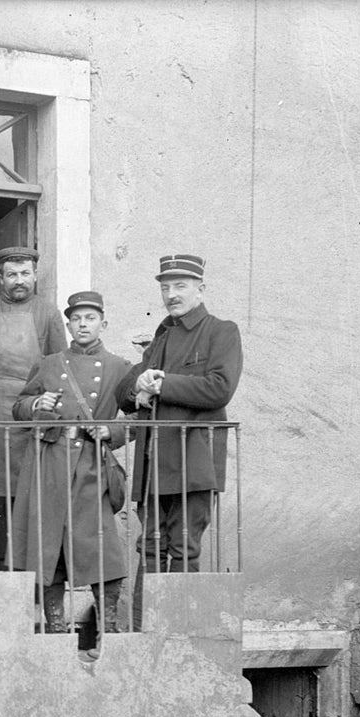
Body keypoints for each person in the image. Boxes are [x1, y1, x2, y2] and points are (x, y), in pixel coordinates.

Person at [113, 254, 242, 622]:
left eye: (181, 286)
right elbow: (123, 393)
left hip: (193, 462)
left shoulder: (221, 331)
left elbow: (220, 388)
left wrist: (163, 384)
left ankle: (177, 632)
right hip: (153, 464)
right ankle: (144, 630)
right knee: (150, 547)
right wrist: (138, 384)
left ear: (201, 289)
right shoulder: (161, 339)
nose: (171, 294)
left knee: (185, 547)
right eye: (166, 287)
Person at [11, 291, 133, 653]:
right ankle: (55, 631)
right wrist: (37, 403)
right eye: (76, 319)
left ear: (103, 324)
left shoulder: (119, 367)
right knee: (50, 548)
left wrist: (112, 431)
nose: (83, 324)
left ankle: (108, 632)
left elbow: (140, 417)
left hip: (91, 464)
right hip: (49, 463)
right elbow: (18, 407)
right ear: (68, 325)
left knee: (102, 548)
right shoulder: (50, 364)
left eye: (90, 318)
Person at [0, 245, 68, 566]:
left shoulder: (49, 314)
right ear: (0, 278)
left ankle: (22, 570)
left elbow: (59, 368)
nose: (19, 280)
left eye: (25, 274)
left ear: (35, 275)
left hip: (29, 420)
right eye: (12, 274)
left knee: (26, 497)